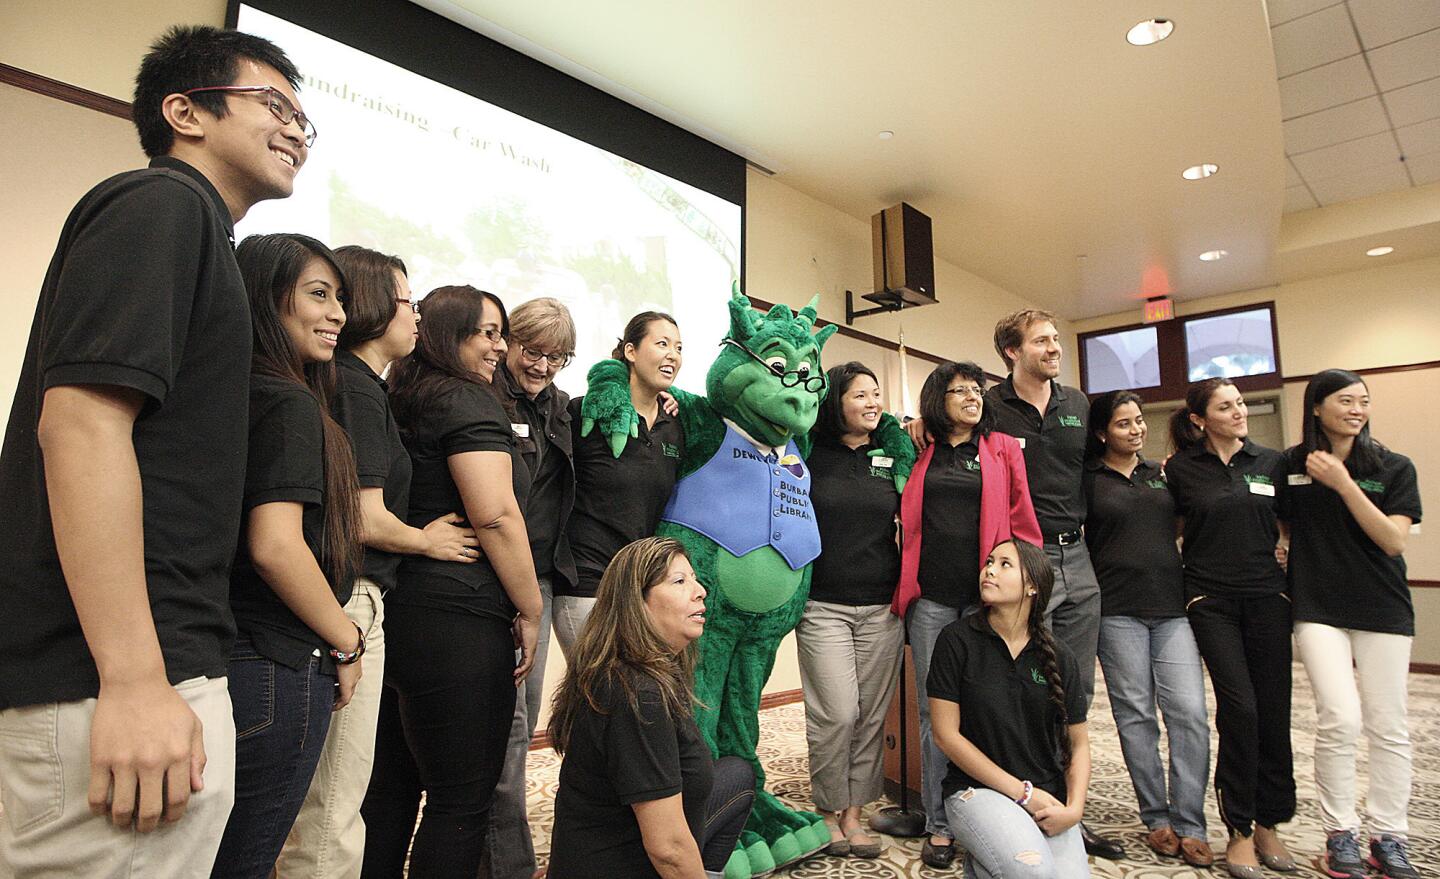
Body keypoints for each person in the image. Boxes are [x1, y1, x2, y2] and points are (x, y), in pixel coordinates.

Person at [0, 26, 306, 877]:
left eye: (304, 121)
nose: (295, 131)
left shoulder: (202, 231)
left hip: (155, 671)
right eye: (273, 105)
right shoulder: (160, 205)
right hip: (118, 682)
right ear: (184, 111)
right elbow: (81, 426)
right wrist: (136, 680)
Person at [275, 247, 478, 879]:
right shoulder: (356, 390)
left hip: (347, 598)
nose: (416, 317)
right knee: (334, 802)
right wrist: (428, 541)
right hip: (350, 598)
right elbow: (362, 516)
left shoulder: (355, 385)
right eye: (407, 302)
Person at [360, 286, 544, 878]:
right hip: (459, 621)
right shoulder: (467, 401)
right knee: (460, 801)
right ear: (447, 335)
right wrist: (532, 607)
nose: (499, 346)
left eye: (501, 332)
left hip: (400, 612)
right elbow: (494, 515)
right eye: (485, 333)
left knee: (390, 790)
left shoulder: (401, 395)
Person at [211, 233, 364, 879]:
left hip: (236, 654)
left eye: (340, 299)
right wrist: (347, 638)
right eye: (318, 294)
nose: (337, 315)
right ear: (267, 298)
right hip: (278, 660)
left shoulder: (228, 389)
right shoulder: (286, 400)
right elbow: (276, 546)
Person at [984, 309, 1122, 862]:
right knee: (1022, 685)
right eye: (1042, 341)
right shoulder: (990, 407)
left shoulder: (1078, 405)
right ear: (1012, 352)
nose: (1055, 347)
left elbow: (1096, 468)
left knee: (1071, 690)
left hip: (1078, 556)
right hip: (1025, 558)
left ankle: (1067, 809)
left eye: (1057, 339)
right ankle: (1017, 802)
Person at [892, 361, 1041, 869]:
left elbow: (1023, 520)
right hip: (931, 600)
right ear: (938, 399)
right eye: (958, 391)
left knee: (992, 707)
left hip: (989, 601)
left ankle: (997, 809)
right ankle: (939, 822)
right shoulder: (918, 448)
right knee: (937, 714)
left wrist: (1022, 588)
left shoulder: (1001, 450)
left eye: (976, 389)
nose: (971, 397)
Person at [1282, 370, 1423, 879]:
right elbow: (1277, 523)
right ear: (1317, 407)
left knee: (1389, 726)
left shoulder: (1393, 466)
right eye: (1345, 400)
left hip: (1382, 609)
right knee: (1339, 718)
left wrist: (1343, 484)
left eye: (1364, 401)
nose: (1357, 409)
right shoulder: (1291, 465)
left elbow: (1393, 540)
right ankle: (1340, 833)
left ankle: (1390, 836)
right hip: (1317, 609)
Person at [548, 537, 755, 879]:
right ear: (637, 603)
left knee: (737, 774)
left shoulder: (643, 671)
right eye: (679, 581)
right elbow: (668, 849)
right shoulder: (636, 692)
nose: (700, 590)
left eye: (694, 578)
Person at [1165, 378, 1296, 879]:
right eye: (1227, 406)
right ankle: (1239, 828)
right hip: (1210, 599)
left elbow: (1288, 524)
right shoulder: (1180, 469)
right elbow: (1171, 528)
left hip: (1267, 598)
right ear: (1200, 419)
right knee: (1239, 709)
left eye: (1240, 403)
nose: (1239, 411)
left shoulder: (1271, 462)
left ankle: (1270, 823)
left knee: (1272, 711)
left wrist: (1285, 562)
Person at [1083, 391, 1211, 866]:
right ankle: (1156, 817)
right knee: (1136, 715)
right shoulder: (1088, 479)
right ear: (1102, 432)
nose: (1136, 430)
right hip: (1117, 612)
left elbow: (1182, 525)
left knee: (1190, 713)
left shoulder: (1163, 474)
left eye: (1139, 421)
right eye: (1123, 424)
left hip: (1172, 609)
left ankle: (1190, 821)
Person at [926, 539, 1092, 879]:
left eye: (1004, 564)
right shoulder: (956, 640)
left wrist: (1074, 810)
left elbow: (1079, 743)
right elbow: (945, 736)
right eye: (989, 561)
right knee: (1034, 873)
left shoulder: (1060, 656)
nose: (989, 570)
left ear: (1032, 585)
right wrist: (1022, 793)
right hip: (975, 792)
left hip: (1047, 797)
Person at [484, 297, 579, 879]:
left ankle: (505, 858)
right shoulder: (481, 394)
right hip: (483, 578)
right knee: (502, 724)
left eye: (557, 356)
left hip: (538, 581)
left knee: (520, 720)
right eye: (532, 350)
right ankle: (505, 864)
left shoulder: (563, 408)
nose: (542, 365)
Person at [796, 362, 905, 859]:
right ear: (835, 400)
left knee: (869, 716)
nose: (872, 401)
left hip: (883, 605)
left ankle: (854, 813)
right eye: (860, 393)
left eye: (876, 393)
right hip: (823, 604)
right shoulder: (809, 453)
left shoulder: (893, 455)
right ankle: (827, 809)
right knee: (837, 713)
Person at [561, 311, 685, 656]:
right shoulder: (588, 412)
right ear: (630, 351)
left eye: (678, 347)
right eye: (661, 344)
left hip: (641, 582)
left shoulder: (674, 423)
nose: (672, 354)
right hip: (588, 579)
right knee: (601, 693)